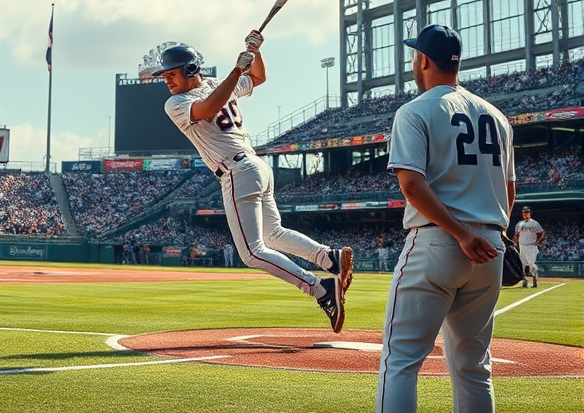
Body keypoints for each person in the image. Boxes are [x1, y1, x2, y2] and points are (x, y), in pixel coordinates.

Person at [155, 34, 352, 333]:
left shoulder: (182, 100)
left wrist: (253, 52)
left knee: (251, 252)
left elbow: (248, 81)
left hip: (237, 170)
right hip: (255, 167)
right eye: (165, 76)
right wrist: (243, 65)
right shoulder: (203, 91)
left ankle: (320, 288)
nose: (167, 81)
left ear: (191, 70)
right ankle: (328, 257)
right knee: (273, 234)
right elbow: (220, 99)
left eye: (172, 74)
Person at [376, 25, 516, 413]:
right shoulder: (496, 116)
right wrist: (489, 234)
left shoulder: (414, 110)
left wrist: (461, 234)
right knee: (474, 367)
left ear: (423, 60)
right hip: (490, 248)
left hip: (438, 241)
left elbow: (412, 187)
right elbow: (509, 191)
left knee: (400, 361)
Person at [513, 206, 544, 288]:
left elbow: (542, 233)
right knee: (522, 264)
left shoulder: (534, 223)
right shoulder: (519, 224)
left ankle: (534, 279)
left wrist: (538, 241)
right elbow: (516, 234)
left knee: (531, 264)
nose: (525, 215)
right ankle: (524, 280)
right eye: (524, 213)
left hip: (531, 245)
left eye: (527, 213)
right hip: (522, 245)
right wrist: (515, 242)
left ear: (529, 214)